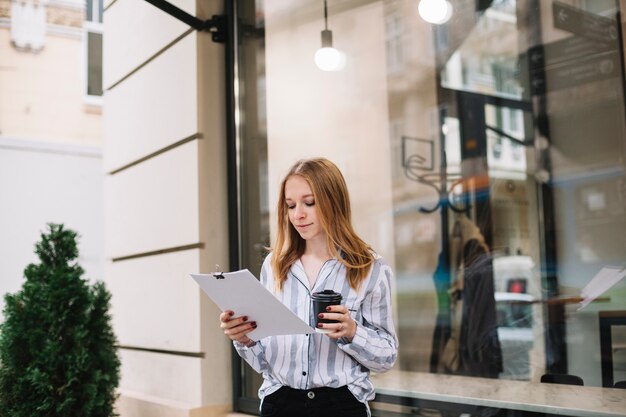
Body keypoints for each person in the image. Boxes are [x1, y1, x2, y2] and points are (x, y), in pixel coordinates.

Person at [219, 157, 398, 417]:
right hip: (280, 403)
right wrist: (244, 339)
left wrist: (352, 331)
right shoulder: (274, 265)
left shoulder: (369, 267)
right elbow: (263, 361)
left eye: (309, 203)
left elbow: (386, 358)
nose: (298, 214)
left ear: (333, 202)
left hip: (341, 406)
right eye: (291, 206)